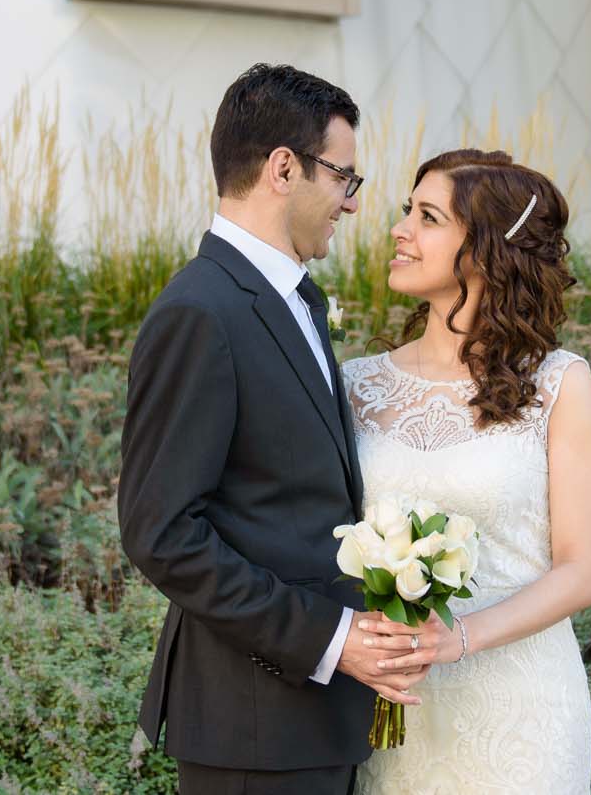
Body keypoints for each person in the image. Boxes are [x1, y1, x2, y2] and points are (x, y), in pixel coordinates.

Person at [118, 64, 420, 795]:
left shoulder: (296, 301)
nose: (351, 204)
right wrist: (330, 636)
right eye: (345, 178)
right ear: (284, 168)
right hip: (251, 728)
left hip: (313, 724)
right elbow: (161, 534)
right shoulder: (201, 311)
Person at [342, 149, 591, 792]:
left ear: (486, 251)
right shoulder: (354, 384)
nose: (400, 230)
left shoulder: (561, 386)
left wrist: (456, 638)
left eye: (427, 217)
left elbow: (580, 572)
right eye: (408, 211)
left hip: (519, 709)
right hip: (391, 705)